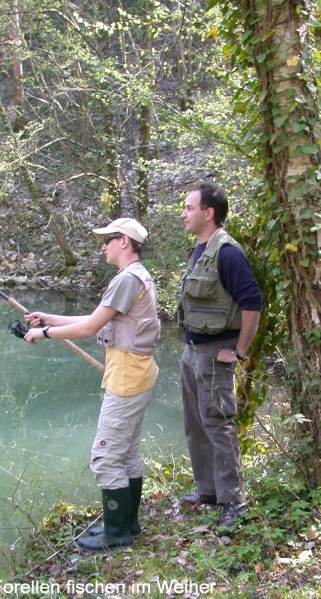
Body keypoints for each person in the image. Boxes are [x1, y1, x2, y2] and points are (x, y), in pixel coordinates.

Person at [24, 217, 160, 551]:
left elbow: (89, 328)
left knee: (104, 457)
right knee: (125, 452)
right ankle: (128, 527)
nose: (103, 245)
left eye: (108, 239)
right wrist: (51, 319)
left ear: (125, 242)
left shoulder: (128, 279)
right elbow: (95, 320)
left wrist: (44, 333)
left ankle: (116, 536)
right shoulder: (134, 277)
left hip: (127, 378)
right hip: (136, 373)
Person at [177, 181, 263, 530]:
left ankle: (234, 501)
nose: (183, 213)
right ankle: (208, 490)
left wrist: (239, 351)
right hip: (192, 350)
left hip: (216, 353)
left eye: (189, 207)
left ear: (208, 213)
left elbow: (252, 303)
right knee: (195, 423)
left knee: (218, 424)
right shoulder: (200, 249)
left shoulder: (227, 253)